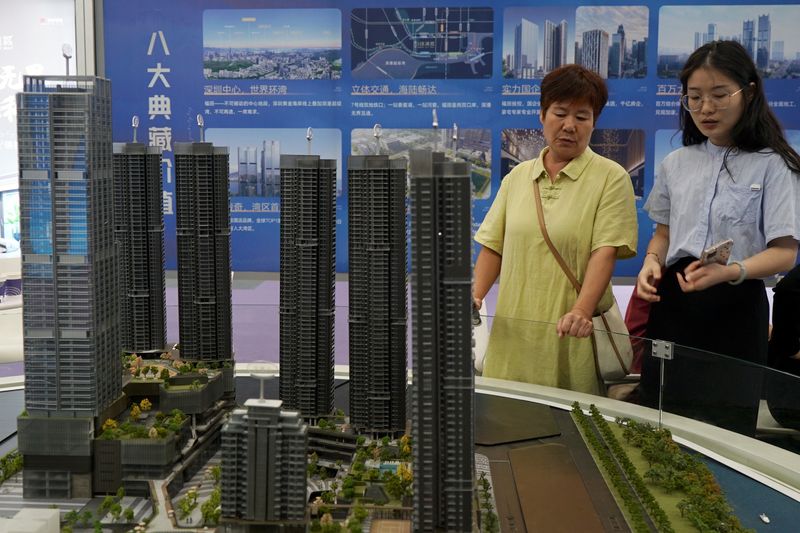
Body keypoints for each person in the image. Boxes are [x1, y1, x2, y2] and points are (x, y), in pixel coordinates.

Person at [636, 40, 800, 435]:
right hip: (674, 304)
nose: (705, 108)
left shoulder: (774, 165)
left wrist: (732, 272)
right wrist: (650, 264)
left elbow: (785, 254)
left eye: (719, 95)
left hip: (735, 308)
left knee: (725, 430)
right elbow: (663, 235)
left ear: (749, 92)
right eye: (695, 97)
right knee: (661, 421)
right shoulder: (677, 163)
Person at [473, 64, 637, 395]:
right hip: (512, 337)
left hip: (570, 336)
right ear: (542, 115)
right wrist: (475, 295)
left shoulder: (611, 177)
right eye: (560, 113)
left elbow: (604, 252)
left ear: (594, 123)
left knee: (566, 435)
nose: (569, 126)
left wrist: (581, 311)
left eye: (582, 116)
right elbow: (493, 246)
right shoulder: (517, 177)